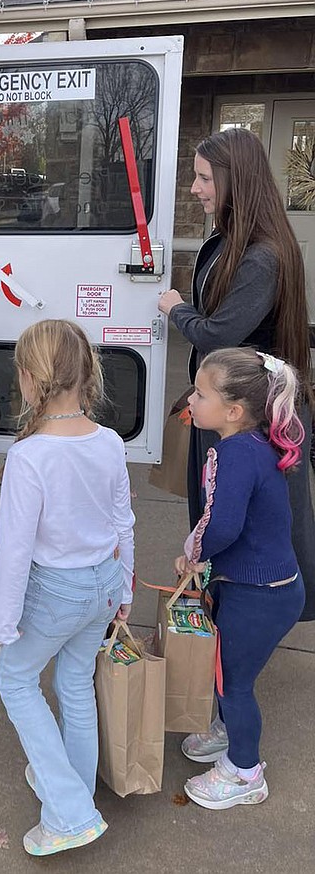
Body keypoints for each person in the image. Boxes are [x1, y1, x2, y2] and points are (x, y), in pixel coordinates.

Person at [0, 319, 134, 858]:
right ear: (88, 371)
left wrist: (2, 620)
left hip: (55, 591)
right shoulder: (111, 442)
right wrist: (125, 591)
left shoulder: (29, 457)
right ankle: (76, 781)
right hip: (102, 584)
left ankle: (70, 812)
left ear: (28, 379)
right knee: (74, 683)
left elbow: (13, 550)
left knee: (16, 680)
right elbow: (125, 523)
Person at [158, 127, 315, 620]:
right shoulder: (233, 241)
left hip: (250, 411)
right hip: (231, 400)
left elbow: (217, 332)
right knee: (221, 507)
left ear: (234, 181)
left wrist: (176, 309)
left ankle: (254, 610)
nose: (194, 188)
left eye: (204, 178)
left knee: (237, 514)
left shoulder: (261, 254)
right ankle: (221, 596)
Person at [174, 347, 305, 810]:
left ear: (232, 410)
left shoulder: (235, 455)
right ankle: (228, 731)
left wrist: (194, 553)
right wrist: (197, 545)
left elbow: (223, 526)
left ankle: (244, 771)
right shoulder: (244, 445)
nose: (191, 398)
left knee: (234, 681)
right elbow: (218, 515)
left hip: (259, 594)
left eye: (201, 393)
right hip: (257, 586)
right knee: (227, 670)